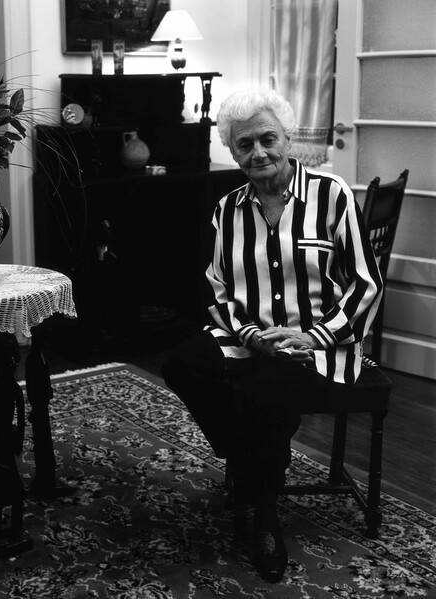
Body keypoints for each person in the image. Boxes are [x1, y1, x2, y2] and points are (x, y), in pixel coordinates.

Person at [162, 88, 383, 583]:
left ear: (288, 138)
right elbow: (217, 288)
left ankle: (264, 516)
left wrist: (315, 337)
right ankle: (246, 457)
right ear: (232, 151)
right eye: (244, 145)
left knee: (266, 388)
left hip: (320, 343)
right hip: (253, 337)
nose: (258, 153)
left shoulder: (332, 194)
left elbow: (366, 284)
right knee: (182, 363)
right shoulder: (227, 210)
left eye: (268, 139)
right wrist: (250, 334)